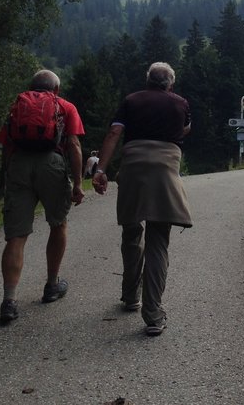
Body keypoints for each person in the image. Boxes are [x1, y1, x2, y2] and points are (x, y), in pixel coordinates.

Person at [92, 62, 192, 337]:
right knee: (158, 240)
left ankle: (130, 295)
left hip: (133, 168)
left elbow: (114, 133)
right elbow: (184, 130)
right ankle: (153, 314)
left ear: (147, 80)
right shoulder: (180, 103)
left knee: (132, 231)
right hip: (165, 171)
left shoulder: (131, 100)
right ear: (170, 83)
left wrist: (101, 170)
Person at [0, 70, 85, 323]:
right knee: (58, 224)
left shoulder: (17, 106)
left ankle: (9, 301)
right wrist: (78, 184)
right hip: (52, 165)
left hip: (19, 165)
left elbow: (6, 145)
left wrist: (6, 177)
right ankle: (51, 285)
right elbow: (74, 146)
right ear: (55, 89)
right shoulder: (65, 106)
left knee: (16, 235)